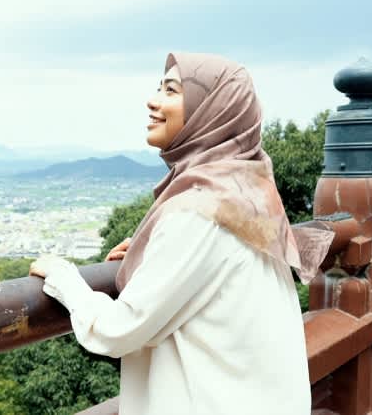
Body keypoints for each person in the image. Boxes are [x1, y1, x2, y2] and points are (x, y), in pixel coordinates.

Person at [29, 52, 333, 415]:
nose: (153, 100)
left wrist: (65, 278)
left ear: (211, 110)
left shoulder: (199, 212)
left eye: (172, 91)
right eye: (159, 87)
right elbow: (218, 270)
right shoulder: (242, 185)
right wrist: (152, 252)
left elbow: (117, 330)